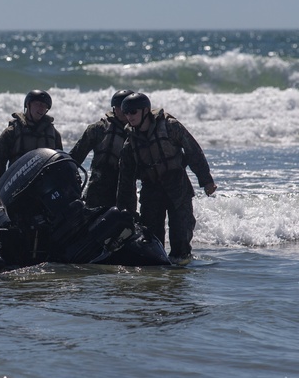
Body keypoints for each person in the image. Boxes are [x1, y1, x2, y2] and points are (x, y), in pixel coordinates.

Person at [115, 92, 217, 265]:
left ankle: (178, 280)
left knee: (181, 240)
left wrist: (206, 181)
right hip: (151, 189)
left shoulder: (170, 127)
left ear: (145, 110)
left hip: (177, 186)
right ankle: (156, 282)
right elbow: (125, 180)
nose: (129, 117)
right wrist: (126, 212)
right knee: (152, 243)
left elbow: (193, 151)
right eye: (126, 113)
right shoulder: (130, 142)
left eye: (133, 112)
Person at [0, 89, 63, 205]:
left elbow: (60, 164)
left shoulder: (54, 134)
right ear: (28, 104)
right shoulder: (11, 132)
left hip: (45, 188)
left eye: (45, 106)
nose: (41, 108)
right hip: (18, 188)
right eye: (38, 104)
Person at [69, 89, 134, 209]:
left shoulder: (139, 133)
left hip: (125, 191)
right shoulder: (98, 129)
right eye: (120, 107)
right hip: (98, 188)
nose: (124, 111)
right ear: (114, 108)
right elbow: (74, 158)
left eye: (128, 107)